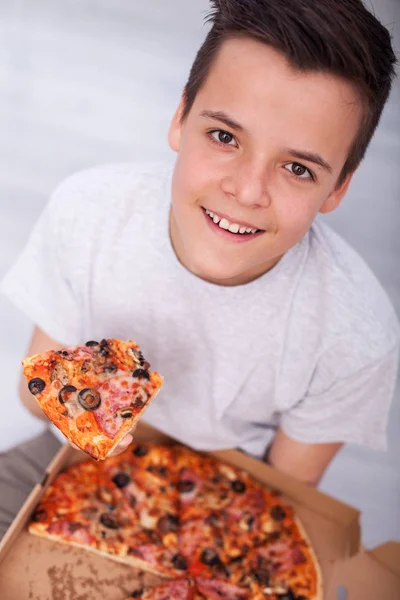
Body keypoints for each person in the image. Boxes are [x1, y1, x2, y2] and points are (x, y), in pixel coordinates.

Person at [1, 0, 399, 500]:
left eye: (298, 168)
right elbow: (33, 393)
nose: (249, 191)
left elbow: (287, 488)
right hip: (73, 452)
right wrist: (94, 402)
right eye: (224, 136)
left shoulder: (355, 333)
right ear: (180, 117)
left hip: (223, 491)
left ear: (339, 186)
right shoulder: (89, 212)